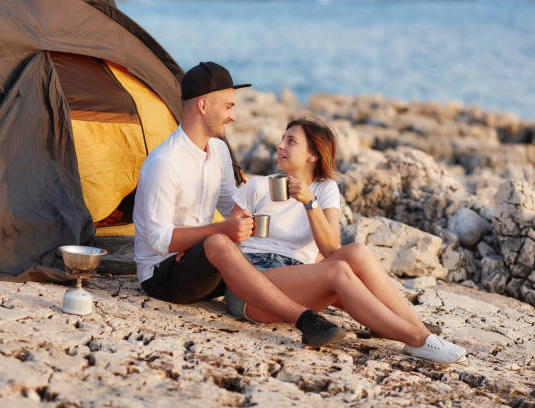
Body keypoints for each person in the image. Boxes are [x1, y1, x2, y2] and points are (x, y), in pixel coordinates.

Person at [133, 62, 345, 347]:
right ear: (204, 105)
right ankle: (305, 320)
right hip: (164, 274)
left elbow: (232, 203)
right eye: (229, 107)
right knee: (220, 243)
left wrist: (272, 205)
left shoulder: (218, 150)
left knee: (312, 257)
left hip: (203, 262)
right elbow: (159, 241)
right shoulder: (164, 162)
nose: (233, 116)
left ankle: (372, 312)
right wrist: (214, 233)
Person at [225, 116, 467, 364]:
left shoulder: (324, 189)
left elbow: (330, 248)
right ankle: (416, 338)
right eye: (282, 139)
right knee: (339, 270)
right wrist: (241, 227)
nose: (280, 146)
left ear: (313, 155)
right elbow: (228, 241)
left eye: (291, 141)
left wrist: (310, 203)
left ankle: (420, 332)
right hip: (255, 282)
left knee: (357, 252)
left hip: (299, 279)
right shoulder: (257, 186)